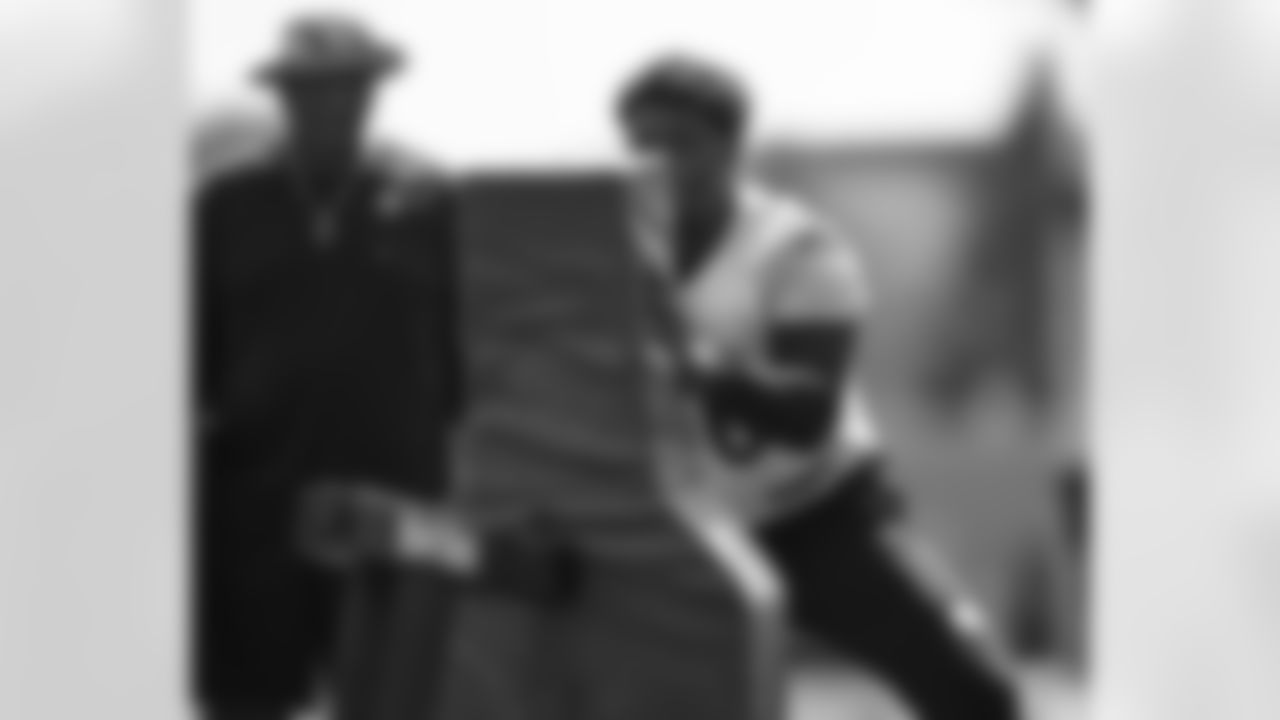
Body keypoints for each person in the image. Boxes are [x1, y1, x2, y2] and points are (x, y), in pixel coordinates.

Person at [616, 55, 1025, 720]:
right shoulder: (602, 245)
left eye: (679, 143)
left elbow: (806, 409)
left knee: (975, 693)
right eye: (641, 145)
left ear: (730, 149)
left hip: (817, 516)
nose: (657, 163)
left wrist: (702, 365)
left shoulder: (795, 248)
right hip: (685, 531)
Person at [194, 15, 576, 720]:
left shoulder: (431, 199)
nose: (337, 105)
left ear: (375, 94)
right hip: (253, 509)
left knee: (396, 698)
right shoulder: (223, 204)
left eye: (354, 88)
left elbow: (476, 351)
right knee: (244, 699)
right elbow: (186, 361)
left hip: (398, 503)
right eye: (314, 90)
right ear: (284, 96)